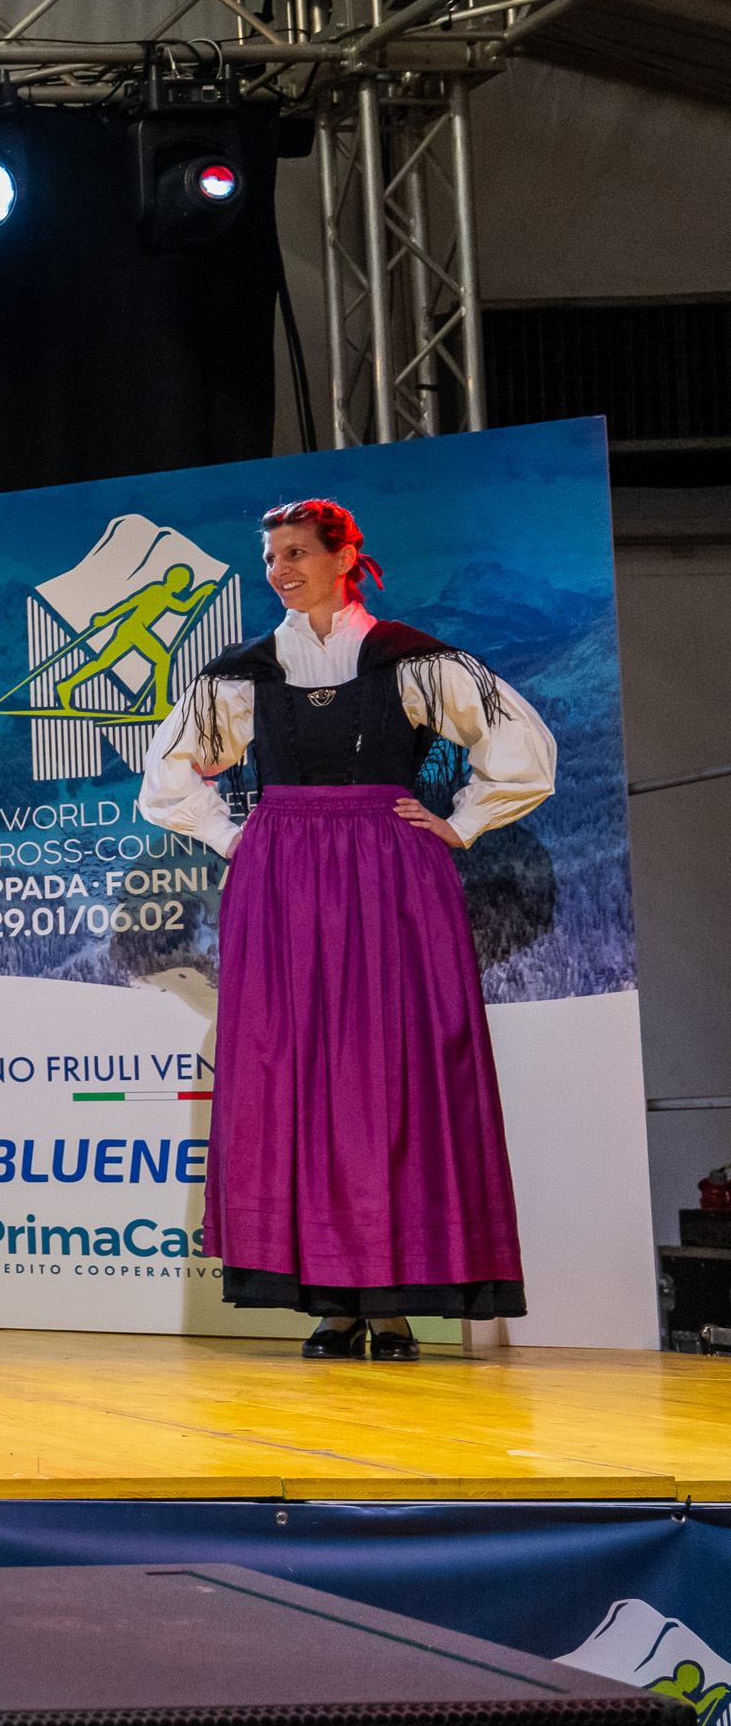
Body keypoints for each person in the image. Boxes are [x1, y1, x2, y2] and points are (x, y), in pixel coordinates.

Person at [141, 496, 555, 1362]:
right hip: (283, 876)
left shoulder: (410, 658)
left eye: (296, 552)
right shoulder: (246, 671)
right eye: (271, 557)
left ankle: (393, 1302)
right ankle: (330, 1302)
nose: (280, 570)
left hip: (390, 871)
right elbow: (168, 773)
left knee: (394, 1072)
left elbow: (521, 746)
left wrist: (463, 822)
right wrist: (233, 835)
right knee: (295, 1074)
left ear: (342, 558)